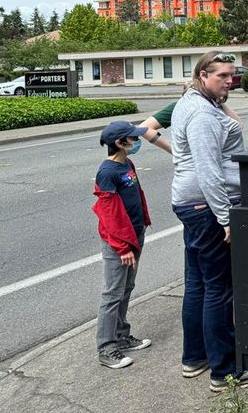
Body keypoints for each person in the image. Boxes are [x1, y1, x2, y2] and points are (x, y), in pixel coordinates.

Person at [170, 51, 248, 392]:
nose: (229, 81)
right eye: (222, 76)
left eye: (232, 75)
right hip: (206, 206)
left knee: (199, 283)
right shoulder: (201, 113)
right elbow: (209, 170)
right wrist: (224, 218)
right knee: (219, 287)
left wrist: (219, 95)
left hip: (192, 205)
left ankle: (195, 358)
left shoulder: (194, 101)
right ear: (203, 74)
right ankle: (224, 372)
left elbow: (234, 124)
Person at [93, 121, 153, 369]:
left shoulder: (127, 163)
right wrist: (122, 246)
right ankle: (106, 347)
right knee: (113, 293)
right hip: (120, 241)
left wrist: (144, 221)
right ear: (119, 143)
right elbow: (108, 213)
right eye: (132, 138)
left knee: (126, 287)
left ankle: (121, 335)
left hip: (134, 233)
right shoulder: (107, 172)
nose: (136, 141)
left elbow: (136, 195)